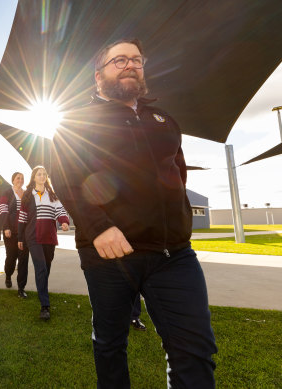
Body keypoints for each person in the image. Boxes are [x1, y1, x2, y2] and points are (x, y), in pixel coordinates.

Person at [51, 38, 217, 387]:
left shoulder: (165, 120)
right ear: (99, 76)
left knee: (195, 348)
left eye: (137, 60)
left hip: (174, 254)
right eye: (120, 60)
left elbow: (178, 174)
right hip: (109, 253)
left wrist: (181, 220)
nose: (130, 65)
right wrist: (98, 228)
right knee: (110, 344)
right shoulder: (75, 121)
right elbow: (66, 177)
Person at [18, 166, 69, 319]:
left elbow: (60, 210)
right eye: (39, 174)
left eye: (44, 174)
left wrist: (64, 221)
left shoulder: (52, 195)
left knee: (46, 269)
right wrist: (20, 238)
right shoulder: (27, 195)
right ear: (34, 177)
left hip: (49, 237)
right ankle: (44, 306)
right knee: (41, 269)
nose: (41, 176)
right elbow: (22, 219)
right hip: (33, 237)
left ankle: (43, 292)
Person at [0, 172, 30, 298]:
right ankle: (8, 275)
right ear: (13, 180)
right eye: (18, 178)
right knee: (11, 258)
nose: (20, 180)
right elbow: (3, 210)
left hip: (24, 232)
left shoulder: (27, 193)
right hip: (10, 232)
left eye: (22, 178)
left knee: (23, 260)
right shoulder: (7, 193)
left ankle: (21, 288)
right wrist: (6, 227)